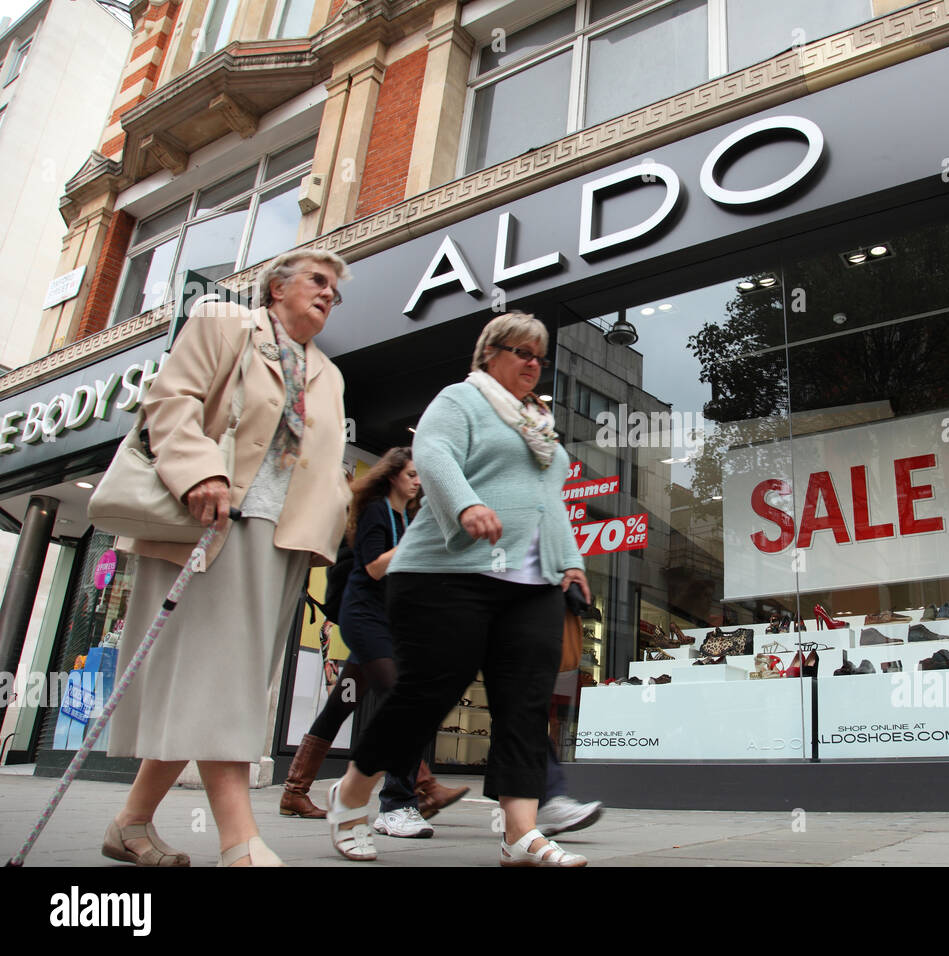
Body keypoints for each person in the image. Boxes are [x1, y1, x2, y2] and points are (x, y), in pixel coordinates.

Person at [103, 249, 353, 867]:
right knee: (225, 683)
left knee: (222, 683)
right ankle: (239, 841)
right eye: (318, 282)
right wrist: (197, 473)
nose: (329, 295)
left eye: (336, 292)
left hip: (282, 541)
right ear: (276, 287)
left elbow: (324, 468)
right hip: (212, 522)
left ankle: (130, 825)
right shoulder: (223, 322)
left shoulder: (328, 373)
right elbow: (173, 400)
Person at [324, 311, 592, 866]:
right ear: (489, 354)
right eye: (520, 352)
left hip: (530, 583)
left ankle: (520, 833)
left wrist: (571, 563)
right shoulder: (461, 400)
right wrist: (467, 504)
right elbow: (435, 454)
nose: (532, 363)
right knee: (427, 696)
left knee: (524, 704)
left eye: (538, 356)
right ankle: (351, 794)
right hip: (445, 577)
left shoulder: (537, 422)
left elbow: (551, 498)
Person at [279, 447, 470, 833]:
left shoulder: (403, 515)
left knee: (342, 703)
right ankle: (420, 786)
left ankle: (294, 790)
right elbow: (373, 567)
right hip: (367, 623)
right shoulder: (375, 511)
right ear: (392, 475)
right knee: (399, 701)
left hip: (382, 625)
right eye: (412, 474)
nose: (418, 481)